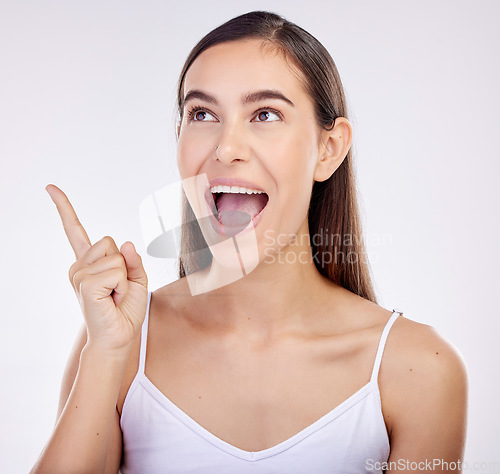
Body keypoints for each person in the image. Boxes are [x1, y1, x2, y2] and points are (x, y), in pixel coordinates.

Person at [31, 10, 468, 474]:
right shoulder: (120, 343)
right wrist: (105, 355)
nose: (225, 147)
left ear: (329, 148)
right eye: (202, 114)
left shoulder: (418, 369)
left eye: (265, 114)